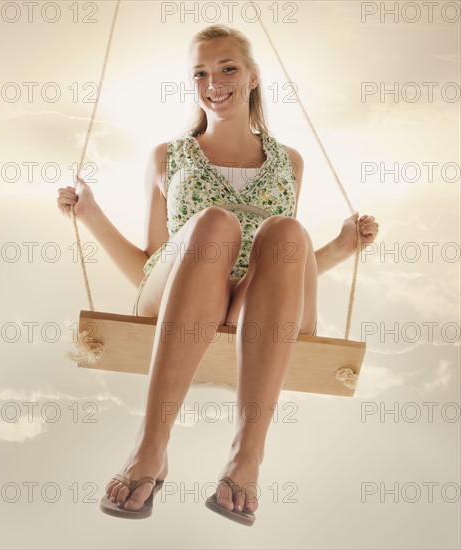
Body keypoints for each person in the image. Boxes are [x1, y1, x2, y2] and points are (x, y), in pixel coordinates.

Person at [57, 24, 379, 525]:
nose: (214, 81)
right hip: (185, 284)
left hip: (256, 300)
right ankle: (151, 446)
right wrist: (91, 216)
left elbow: (284, 269)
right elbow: (152, 262)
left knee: (287, 232)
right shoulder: (169, 156)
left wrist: (340, 247)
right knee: (215, 224)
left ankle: (246, 456)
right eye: (201, 72)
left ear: (252, 76)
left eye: (227, 68)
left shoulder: (289, 161)